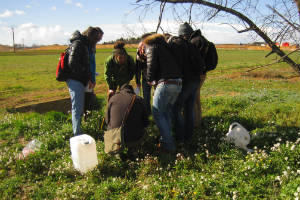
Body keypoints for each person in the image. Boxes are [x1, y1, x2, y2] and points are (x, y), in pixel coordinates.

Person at [144, 34, 182, 152]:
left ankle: (168, 145)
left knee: (157, 113)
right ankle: (165, 139)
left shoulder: (152, 47)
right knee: (166, 113)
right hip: (178, 83)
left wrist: (149, 79)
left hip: (166, 83)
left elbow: (151, 66)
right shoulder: (166, 47)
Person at [171, 22, 206, 143]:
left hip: (185, 83)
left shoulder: (178, 46)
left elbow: (177, 67)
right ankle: (189, 137)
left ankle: (180, 137)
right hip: (195, 81)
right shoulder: (193, 46)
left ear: (181, 35)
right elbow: (201, 65)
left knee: (175, 109)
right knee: (189, 109)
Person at [66, 26, 103, 136]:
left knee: (86, 104)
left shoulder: (88, 45)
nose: (98, 41)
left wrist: (91, 78)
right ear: (90, 36)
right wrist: (87, 78)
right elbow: (72, 64)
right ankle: (77, 134)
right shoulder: (78, 44)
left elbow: (89, 64)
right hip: (75, 80)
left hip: (85, 80)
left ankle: (84, 128)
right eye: (97, 38)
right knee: (77, 108)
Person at [178, 22, 207, 128]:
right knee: (197, 100)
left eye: (182, 36)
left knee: (193, 100)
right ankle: (198, 121)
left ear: (185, 34)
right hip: (202, 73)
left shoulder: (194, 41)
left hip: (197, 74)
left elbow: (193, 59)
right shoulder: (201, 39)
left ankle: (195, 124)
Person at [105, 84, 149, 151]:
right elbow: (146, 123)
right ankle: (134, 150)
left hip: (115, 139)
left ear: (120, 90)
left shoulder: (113, 98)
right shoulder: (139, 99)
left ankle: (117, 151)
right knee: (145, 133)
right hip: (134, 139)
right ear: (132, 91)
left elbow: (107, 121)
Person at [135, 33, 153, 115]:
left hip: (156, 77)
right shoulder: (140, 49)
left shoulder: (155, 47)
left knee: (154, 96)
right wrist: (138, 80)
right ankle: (148, 114)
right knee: (146, 97)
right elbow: (138, 66)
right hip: (146, 76)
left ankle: (156, 114)